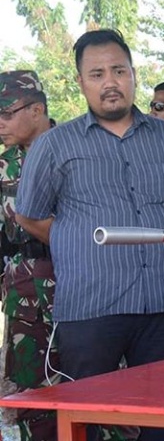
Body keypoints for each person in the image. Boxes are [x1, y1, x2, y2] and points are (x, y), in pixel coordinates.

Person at [15, 29, 164, 441]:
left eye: (119, 70)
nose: (110, 82)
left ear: (133, 74)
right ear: (81, 82)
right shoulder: (56, 145)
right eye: (96, 74)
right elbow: (30, 215)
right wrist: (77, 241)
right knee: (87, 421)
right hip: (92, 308)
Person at [0, 70, 57, 440]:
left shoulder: (76, 150)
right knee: (27, 398)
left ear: (36, 110)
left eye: (6, 113)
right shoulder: (5, 163)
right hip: (22, 295)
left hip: (74, 292)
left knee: (91, 389)